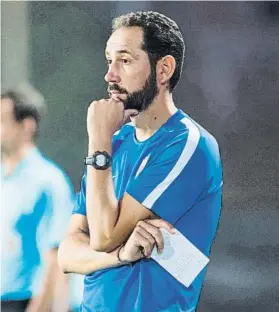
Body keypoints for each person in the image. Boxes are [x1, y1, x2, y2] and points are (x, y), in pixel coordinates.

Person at [58, 11, 223, 312]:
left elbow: (104, 236)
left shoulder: (187, 144)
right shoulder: (114, 142)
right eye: (109, 60)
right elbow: (67, 254)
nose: (110, 75)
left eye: (125, 60)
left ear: (164, 70)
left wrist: (97, 141)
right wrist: (121, 256)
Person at [0, 82, 75, 312]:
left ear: (27, 126)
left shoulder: (49, 180)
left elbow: (57, 256)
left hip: (25, 302)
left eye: (2, 120)